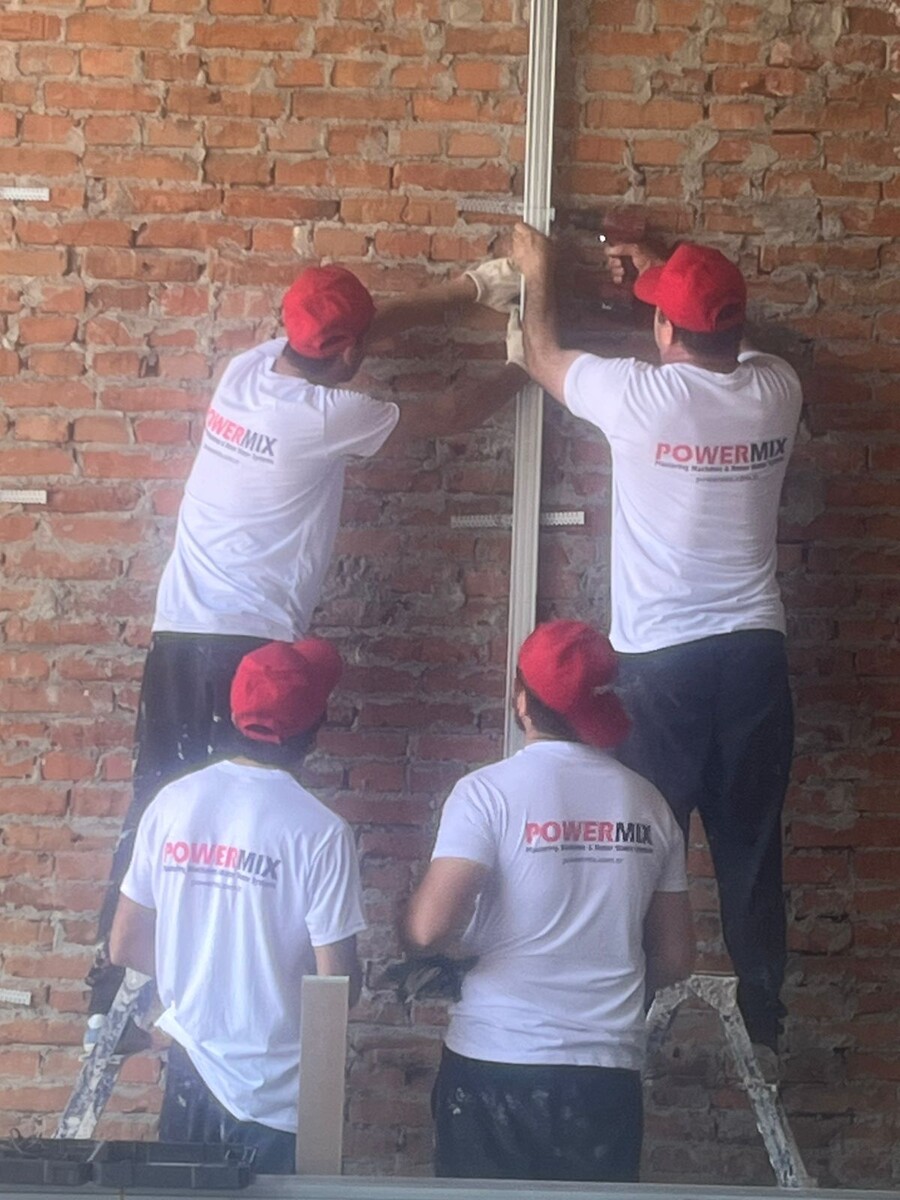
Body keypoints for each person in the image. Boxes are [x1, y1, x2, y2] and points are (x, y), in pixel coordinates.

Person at [89, 258, 525, 1026]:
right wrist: (531, 361)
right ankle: (196, 1000)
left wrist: (469, 290)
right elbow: (454, 411)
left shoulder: (248, 369)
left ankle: (114, 992)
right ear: (349, 353)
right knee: (241, 823)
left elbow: (359, 333)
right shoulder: (325, 416)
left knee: (159, 804)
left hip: (179, 632)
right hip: (244, 649)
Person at [510, 223, 803, 1058]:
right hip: (754, 655)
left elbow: (541, 354)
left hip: (663, 665)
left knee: (641, 840)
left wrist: (539, 269)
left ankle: (621, 1014)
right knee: (750, 844)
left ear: (664, 328)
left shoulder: (637, 396)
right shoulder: (776, 388)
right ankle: (764, 1019)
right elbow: (741, 336)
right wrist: (664, 275)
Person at [405, 620, 694, 1183]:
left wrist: (417, 930)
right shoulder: (649, 803)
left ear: (521, 699)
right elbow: (676, 958)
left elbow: (429, 929)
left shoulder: (485, 793)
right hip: (605, 1072)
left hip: (495, 1058)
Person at [109, 637, 364, 1173]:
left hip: (190, 1071)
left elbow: (125, 943)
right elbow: (336, 991)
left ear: (232, 713)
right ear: (316, 727)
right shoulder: (321, 831)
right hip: (275, 1096)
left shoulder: (172, 802)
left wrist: (202, 975)